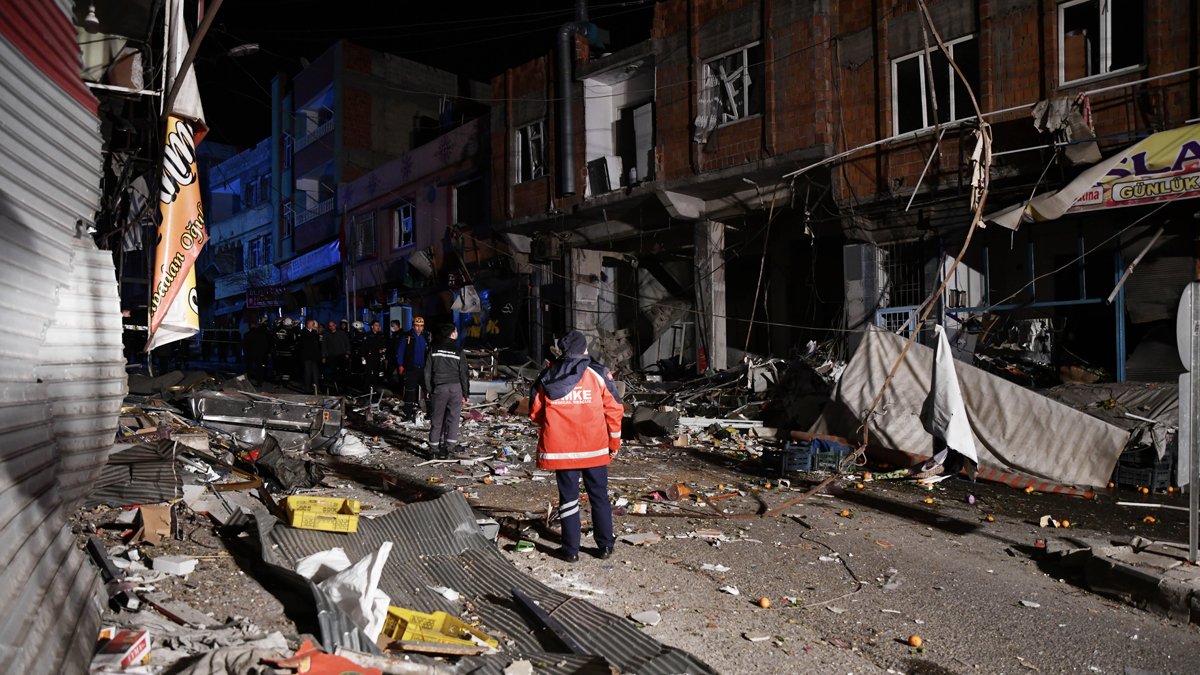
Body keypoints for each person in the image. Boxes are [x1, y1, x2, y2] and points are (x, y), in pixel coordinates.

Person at [529, 330, 623, 563]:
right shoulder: (598, 373)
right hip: (594, 447)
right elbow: (614, 410)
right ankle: (605, 547)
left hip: (563, 449)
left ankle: (571, 550)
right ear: (584, 349)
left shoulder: (549, 374)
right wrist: (614, 442)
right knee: (599, 496)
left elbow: (535, 412)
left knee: (568, 498)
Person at [424, 323, 469, 459]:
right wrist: (466, 393)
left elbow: (427, 372)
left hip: (439, 388)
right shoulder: (459, 351)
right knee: (453, 419)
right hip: (455, 388)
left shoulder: (433, 349)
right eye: (455, 331)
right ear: (452, 334)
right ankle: (449, 449)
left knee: (437, 419)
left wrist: (428, 389)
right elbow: (464, 374)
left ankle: (433, 449)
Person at [398, 317, 430, 420]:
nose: (419, 328)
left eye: (421, 326)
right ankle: (408, 413)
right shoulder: (407, 336)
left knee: (428, 391)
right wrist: (400, 365)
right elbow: (401, 352)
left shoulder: (425, 336)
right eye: (417, 325)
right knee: (410, 391)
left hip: (423, 369)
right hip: (411, 368)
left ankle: (430, 412)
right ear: (413, 326)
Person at [323, 319, 350, 392]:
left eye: (332, 325)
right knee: (333, 372)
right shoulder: (326, 334)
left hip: (341, 355)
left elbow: (347, 343)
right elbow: (324, 346)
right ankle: (335, 387)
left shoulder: (341, 333)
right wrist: (324, 356)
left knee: (343, 372)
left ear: (335, 325)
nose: (331, 327)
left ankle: (343, 387)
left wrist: (347, 352)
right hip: (332, 356)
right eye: (330, 326)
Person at [242, 317, 271, 386]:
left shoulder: (247, 334)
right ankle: (259, 382)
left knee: (249, 368)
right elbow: (265, 344)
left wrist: (245, 353)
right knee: (259, 369)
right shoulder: (261, 334)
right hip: (259, 354)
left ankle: (248, 381)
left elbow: (244, 345)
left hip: (250, 354)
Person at [362, 320, 389, 388]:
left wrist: (382, 351)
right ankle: (366, 389)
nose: (378, 327)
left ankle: (376, 388)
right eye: (376, 325)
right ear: (372, 326)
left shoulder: (381, 335)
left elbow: (384, 346)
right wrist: (362, 356)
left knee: (377, 374)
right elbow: (363, 346)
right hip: (369, 357)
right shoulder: (367, 335)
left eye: (378, 325)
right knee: (368, 374)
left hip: (378, 357)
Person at [299, 318, 323, 394]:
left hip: (314, 356)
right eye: (312, 324)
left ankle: (316, 388)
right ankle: (307, 389)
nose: (314, 326)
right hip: (307, 356)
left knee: (315, 373)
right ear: (308, 324)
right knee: (308, 373)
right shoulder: (303, 332)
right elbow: (305, 343)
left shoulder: (314, 332)